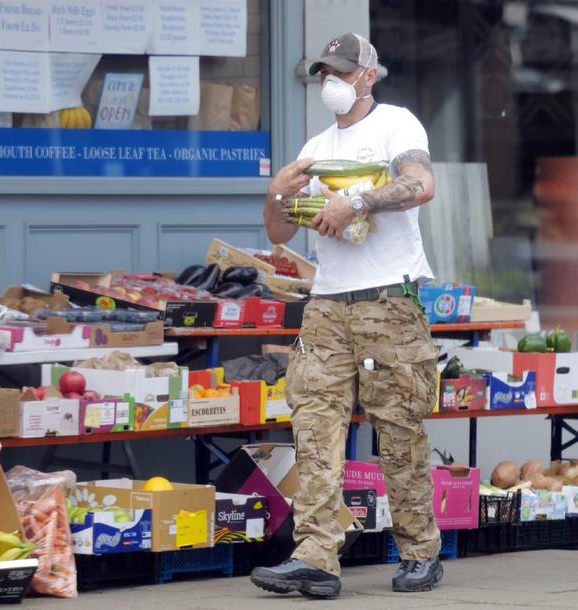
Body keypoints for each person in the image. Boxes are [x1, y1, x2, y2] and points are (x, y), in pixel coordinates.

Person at [250, 32, 442, 599]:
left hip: (388, 300)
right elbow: (280, 232)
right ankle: (315, 557)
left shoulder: (397, 125)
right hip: (328, 304)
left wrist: (356, 201)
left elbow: (421, 184)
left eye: (340, 71)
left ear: (368, 75)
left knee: (399, 429)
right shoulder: (316, 144)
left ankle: (419, 551)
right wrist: (275, 195)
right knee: (314, 427)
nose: (329, 82)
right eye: (322, 73)